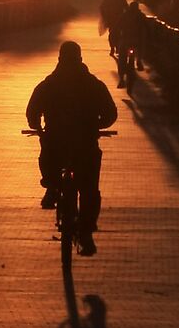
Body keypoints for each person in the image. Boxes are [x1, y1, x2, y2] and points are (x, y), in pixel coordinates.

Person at [25, 40, 118, 254]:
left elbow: (32, 111)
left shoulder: (48, 84)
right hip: (85, 144)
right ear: (80, 58)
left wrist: (38, 128)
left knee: (47, 155)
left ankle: (51, 187)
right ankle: (86, 233)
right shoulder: (93, 84)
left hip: (55, 143)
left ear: (59, 58)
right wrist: (96, 126)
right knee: (89, 190)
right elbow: (111, 114)